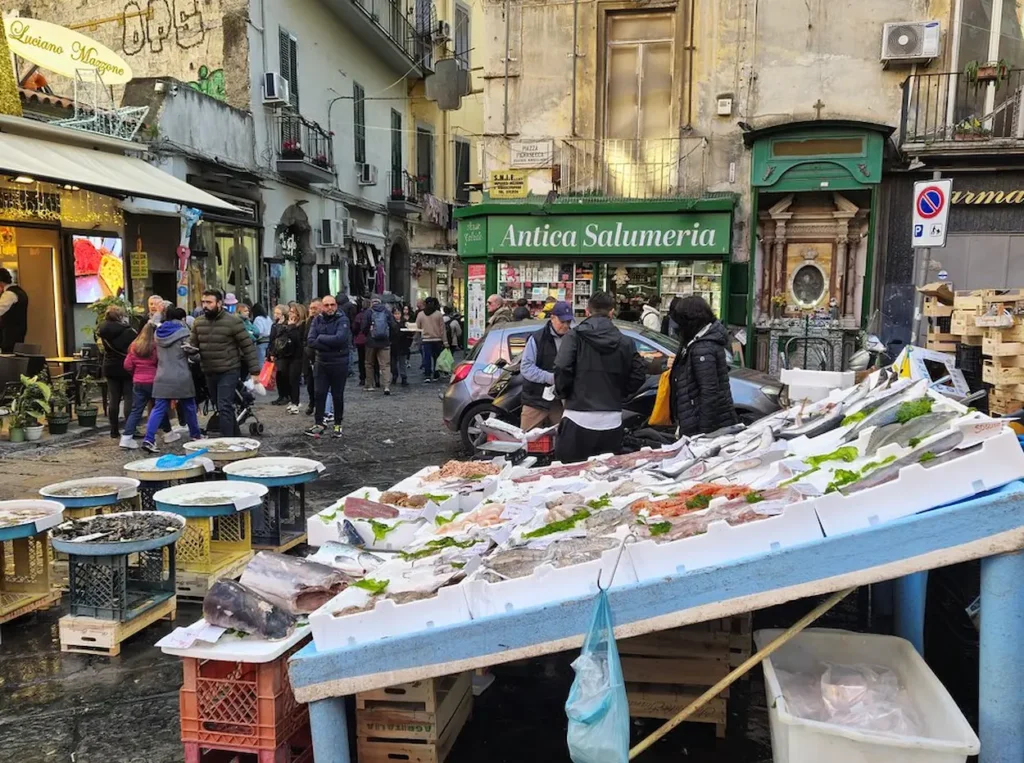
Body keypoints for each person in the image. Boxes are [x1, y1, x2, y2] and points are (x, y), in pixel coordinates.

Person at [553, 291, 648, 463]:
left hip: (577, 416)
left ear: (588, 312)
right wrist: (621, 393)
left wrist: (565, 393)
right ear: (612, 312)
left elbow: (561, 367)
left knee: (571, 477)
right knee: (605, 477)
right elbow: (639, 373)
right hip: (611, 420)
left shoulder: (574, 337)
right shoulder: (625, 342)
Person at [189, 289, 260, 436]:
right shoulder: (198, 322)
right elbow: (193, 344)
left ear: (219, 303)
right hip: (209, 370)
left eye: (209, 302)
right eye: (203, 302)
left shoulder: (233, 321)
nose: (205, 305)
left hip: (229, 370)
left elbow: (247, 346)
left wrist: (254, 372)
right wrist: (190, 351)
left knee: (224, 406)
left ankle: (229, 442)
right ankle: (236, 436)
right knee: (220, 406)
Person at [669, 295, 738, 437]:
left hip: (701, 425)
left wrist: (702, 433)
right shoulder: (698, 341)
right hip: (695, 418)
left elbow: (709, 392)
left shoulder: (703, 348)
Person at [143, 307, 202, 452]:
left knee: (158, 408)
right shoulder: (184, 333)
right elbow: (192, 354)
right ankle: (196, 435)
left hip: (162, 374)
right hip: (181, 374)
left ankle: (148, 439)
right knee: (189, 405)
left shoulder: (158, 333)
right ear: (182, 319)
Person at [520, 300, 573, 432]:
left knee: (564, 438)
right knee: (527, 438)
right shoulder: (537, 338)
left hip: (561, 400)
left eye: (568, 322)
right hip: (536, 399)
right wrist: (551, 378)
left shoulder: (573, 339)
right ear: (553, 318)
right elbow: (526, 367)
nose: (566, 326)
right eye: (562, 322)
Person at [120, 322, 175, 449]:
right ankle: (168, 433)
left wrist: (136, 373)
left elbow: (127, 365)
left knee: (136, 410)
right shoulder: (157, 347)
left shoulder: (134, 346)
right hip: (155, 382)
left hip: (138, 382)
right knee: (160, 408)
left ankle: (126, 438)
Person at [306, 295, 350, 439]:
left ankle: (338, 425)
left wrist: (321, 338)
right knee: (319, 393)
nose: (330, 307)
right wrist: (327, 343)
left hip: (339, 362)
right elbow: (311, 341)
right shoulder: (317, 320)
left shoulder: (342, 319)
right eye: (327, 305)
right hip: (321, 362)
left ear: (336, 305)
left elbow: (340, 339)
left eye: (332, 304)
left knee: (337, 395)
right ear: (322, 307)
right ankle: (318, 424)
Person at [96, 305, 138, 438]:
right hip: (126, 366)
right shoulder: (128, 331)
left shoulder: (102, 330)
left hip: (109, 365)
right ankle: (129, 429)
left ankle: (113, 430)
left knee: (113, 399)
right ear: (121, 316)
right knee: (128, 397)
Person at [272, 303, 306, 413]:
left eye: (292, 312)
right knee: (287, 378)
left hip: (297, 356)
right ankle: (292, 400)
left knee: (294, 379)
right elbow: (280, 336)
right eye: (290, 311)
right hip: (287, 354)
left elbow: (297, 341)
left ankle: (296, 402)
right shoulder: (288, 323)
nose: (290, 313)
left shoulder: (302, 325)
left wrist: (291, 327)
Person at [363, 297, 398, 394]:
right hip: (385, 342)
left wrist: (367, 335)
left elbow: (364, 327)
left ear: (372, 303)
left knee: (369, 364)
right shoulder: (386, 312)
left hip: (371, 342)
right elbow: (394, 325)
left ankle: (369, 385)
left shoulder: (368, 312)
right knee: (385, 365)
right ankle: (386, 386)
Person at [415, 296, 448, 382]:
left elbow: (417, 327)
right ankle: (436, 374)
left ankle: (427, 375)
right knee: (437, 358)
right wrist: (445, 341)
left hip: (426, 340)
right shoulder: (438, 314)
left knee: (427, 358)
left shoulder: (421, 314)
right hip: (437, 339)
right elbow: (442, 329)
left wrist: (417, 339)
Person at [0, 268, 28, 353]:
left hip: (9, 336)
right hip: (18, 334)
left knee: (8, 361)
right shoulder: (19, 291)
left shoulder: (9, 294)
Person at [303, 299, 322, 415]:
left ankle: (321, 406)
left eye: (315, 308)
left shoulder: (323, 321)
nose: (312, 311)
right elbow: (304, 337)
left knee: (320, 385)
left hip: (319, 355)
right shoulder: (308, 321)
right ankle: (312, 403)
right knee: (310, 383)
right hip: (308, 355)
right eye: (311, 308)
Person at [391, 305, 409, 387]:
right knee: (393, 363)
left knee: (402, 363)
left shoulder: (405, 322)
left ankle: (404, 377)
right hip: (393, 345)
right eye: (395, 313)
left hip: (402, 345)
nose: (397, 315)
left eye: (398, 313)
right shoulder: (391, 322)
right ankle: (394, 375)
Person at [251, 303, 272, 368]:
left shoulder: (257, 319)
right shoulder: (268, 318)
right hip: (269, 341)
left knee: (261, 362)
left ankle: (262, 377)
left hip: (261, 342)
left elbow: (259, 331)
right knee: (268, 362)